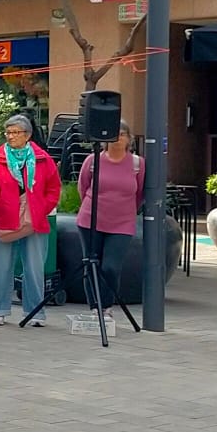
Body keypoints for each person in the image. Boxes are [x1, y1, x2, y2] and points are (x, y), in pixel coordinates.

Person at [0, 114, 63, 326]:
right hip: (2, 218)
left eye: (16, 132)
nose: (11, 136)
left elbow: (53, 189)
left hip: (34, 220)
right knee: (0, 267)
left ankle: (35, 312)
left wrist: (41, 208)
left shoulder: (43, 159)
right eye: (8, 132)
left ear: (28, 135)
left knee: (34, 268)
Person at [75, 119, 144, 319]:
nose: (117, 139)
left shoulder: (137, 164)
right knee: (91, 263)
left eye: (121, 135)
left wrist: (126, 210)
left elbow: (139, 194)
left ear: (128, 139)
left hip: (122, 223)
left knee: (111, 267)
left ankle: (107, 305)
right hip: (91, 220)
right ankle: (95, 307)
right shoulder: (93, 160)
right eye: (113, 136)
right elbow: (83, 187)